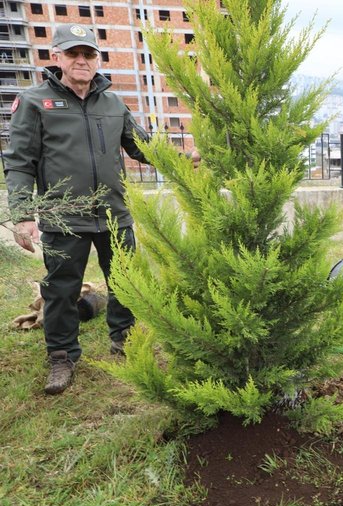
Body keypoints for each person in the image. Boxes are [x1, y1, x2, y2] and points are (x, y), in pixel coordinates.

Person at [4, 24, 198, 395]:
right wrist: (24, 214)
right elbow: (19, 162)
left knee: (124, 282)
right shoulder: (34, 102)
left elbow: (141, 146)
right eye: (73, 53)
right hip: (64, 217)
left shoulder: (112, 102)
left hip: (114, 213)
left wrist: (180, 158)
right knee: (61, 289)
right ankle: (61, 355)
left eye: (88, 54)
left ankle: (123, 339)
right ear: (57, 56)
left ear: (97, 59)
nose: (81, 60)